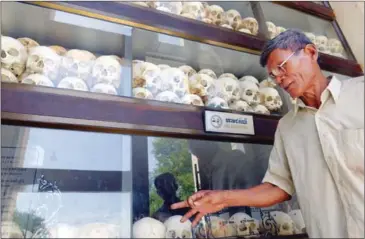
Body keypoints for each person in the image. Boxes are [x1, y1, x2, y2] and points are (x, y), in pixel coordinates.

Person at [171, 29, 364, 238]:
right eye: (273, 76)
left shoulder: (360, 95)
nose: (279, 79)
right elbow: (278, 187)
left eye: (282, 67)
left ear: (310, 52)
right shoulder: (287, 128)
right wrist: (223, 198)